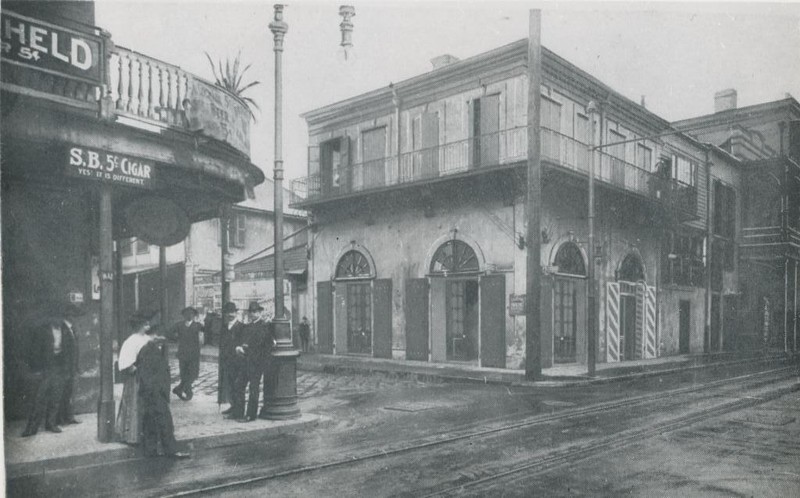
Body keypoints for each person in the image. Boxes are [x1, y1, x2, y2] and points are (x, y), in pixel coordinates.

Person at [137, 323, 190, 459]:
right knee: (165, 421)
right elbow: (146, 374)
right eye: (160, 336)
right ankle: (171, 450)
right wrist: (156, 393)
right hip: (154, 393)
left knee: (151, 422)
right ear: (153, 336)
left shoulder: (156, 348)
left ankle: (151, 451)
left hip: (154, 393)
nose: (163, 339)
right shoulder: (148, 350)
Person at [115, 310, 155, 445]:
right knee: (135, 404)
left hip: (148, 376)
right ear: (139, 325)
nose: (148, 324)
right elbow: (126, 361)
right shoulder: (131, 341)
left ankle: (145, 433)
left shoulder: (147, 339)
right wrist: (136, 370)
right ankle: (132, 435)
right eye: (145, 322)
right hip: (136, 378)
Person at [21, 319, 67, 437]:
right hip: (46, 367)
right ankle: (31, 428)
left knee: (56, 397)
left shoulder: (65, 329)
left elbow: (69, 348)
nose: (58, 319)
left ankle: (51, 424)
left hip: (59, 366)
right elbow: (36, 349)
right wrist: (38, 368)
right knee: (39, 398)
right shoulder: (43, 330)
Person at [233, 302, 271, 422]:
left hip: (256, 362)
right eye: (251, 312)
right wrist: (238, 347)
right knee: (239, 385)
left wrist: (244, 348)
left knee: (253, 389)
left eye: (255, 312)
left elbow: (259, 344)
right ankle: (238, 412)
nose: (253, 314)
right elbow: (241, 339)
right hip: (245, 361)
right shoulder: (247, 326)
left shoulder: (264, 326)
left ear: (260, 312)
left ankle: (251, 415)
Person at [56, 303, 84, 426]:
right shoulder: (63, 329)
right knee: (62, 394)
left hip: (72, 368)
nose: (76, 318)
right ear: (69, 316)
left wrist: (76, 366)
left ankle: (69, 417)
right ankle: (60, 419)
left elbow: (75, 350)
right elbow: (61, 351)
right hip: (65, 368)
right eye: (74, 315)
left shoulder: (71, 329)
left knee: (70, 393)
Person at [218, 302, 244, 416]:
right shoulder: (224, 327)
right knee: (230, 385)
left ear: (236, 313)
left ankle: (239, 410)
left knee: (238, 386)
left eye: (232, 312)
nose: (230, 315)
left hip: (238, 362)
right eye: (228, 313)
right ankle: (233, 406)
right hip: (227, 360)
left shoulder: (241, 327)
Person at [171, 307, 202, 401]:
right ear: (184, 315)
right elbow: (170, 333)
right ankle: (188, 392)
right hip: (183, 353)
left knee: (193, 374)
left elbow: (206, 334)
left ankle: (179, 389)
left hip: (194, 354)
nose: (189, 316)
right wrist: (175, 338)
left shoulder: (198, 325)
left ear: (194, 315)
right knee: (184, 374)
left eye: (192, 314)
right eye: (187, 314)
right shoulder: (179, 325)